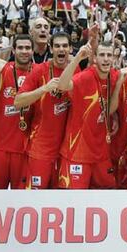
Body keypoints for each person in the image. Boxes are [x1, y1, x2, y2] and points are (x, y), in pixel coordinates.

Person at [57, 41, 126, 189]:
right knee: (75, 200)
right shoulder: (85, 77)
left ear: (114, 58)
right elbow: (61, 86)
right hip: (77, 153)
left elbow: (110, 110)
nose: (106, 59)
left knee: (107, 193)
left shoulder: (114, 76)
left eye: (109, 55)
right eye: (102, 55)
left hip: (100, 152)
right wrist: (76, 58)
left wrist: (120, 82)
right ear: (94, 58)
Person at [15, 32, 80, 189]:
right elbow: (18, 101)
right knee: (36, 198)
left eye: (65, 46)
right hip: (41, 149)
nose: (61, 49)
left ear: (70, 49)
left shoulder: (75, 70)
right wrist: (44, 88)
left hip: (66, 151)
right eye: (57, 46)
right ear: (51, 49)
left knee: (60, 198)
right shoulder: (39, 70)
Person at [0, 35, 36, 189]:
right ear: (13, 50)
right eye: (20, 48)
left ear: (33, 50)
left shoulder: (39, 72)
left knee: (20, 198)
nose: (24, 51)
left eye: (28, 48)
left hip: (23, 149)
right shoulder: (3, 67)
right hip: (0, 147)